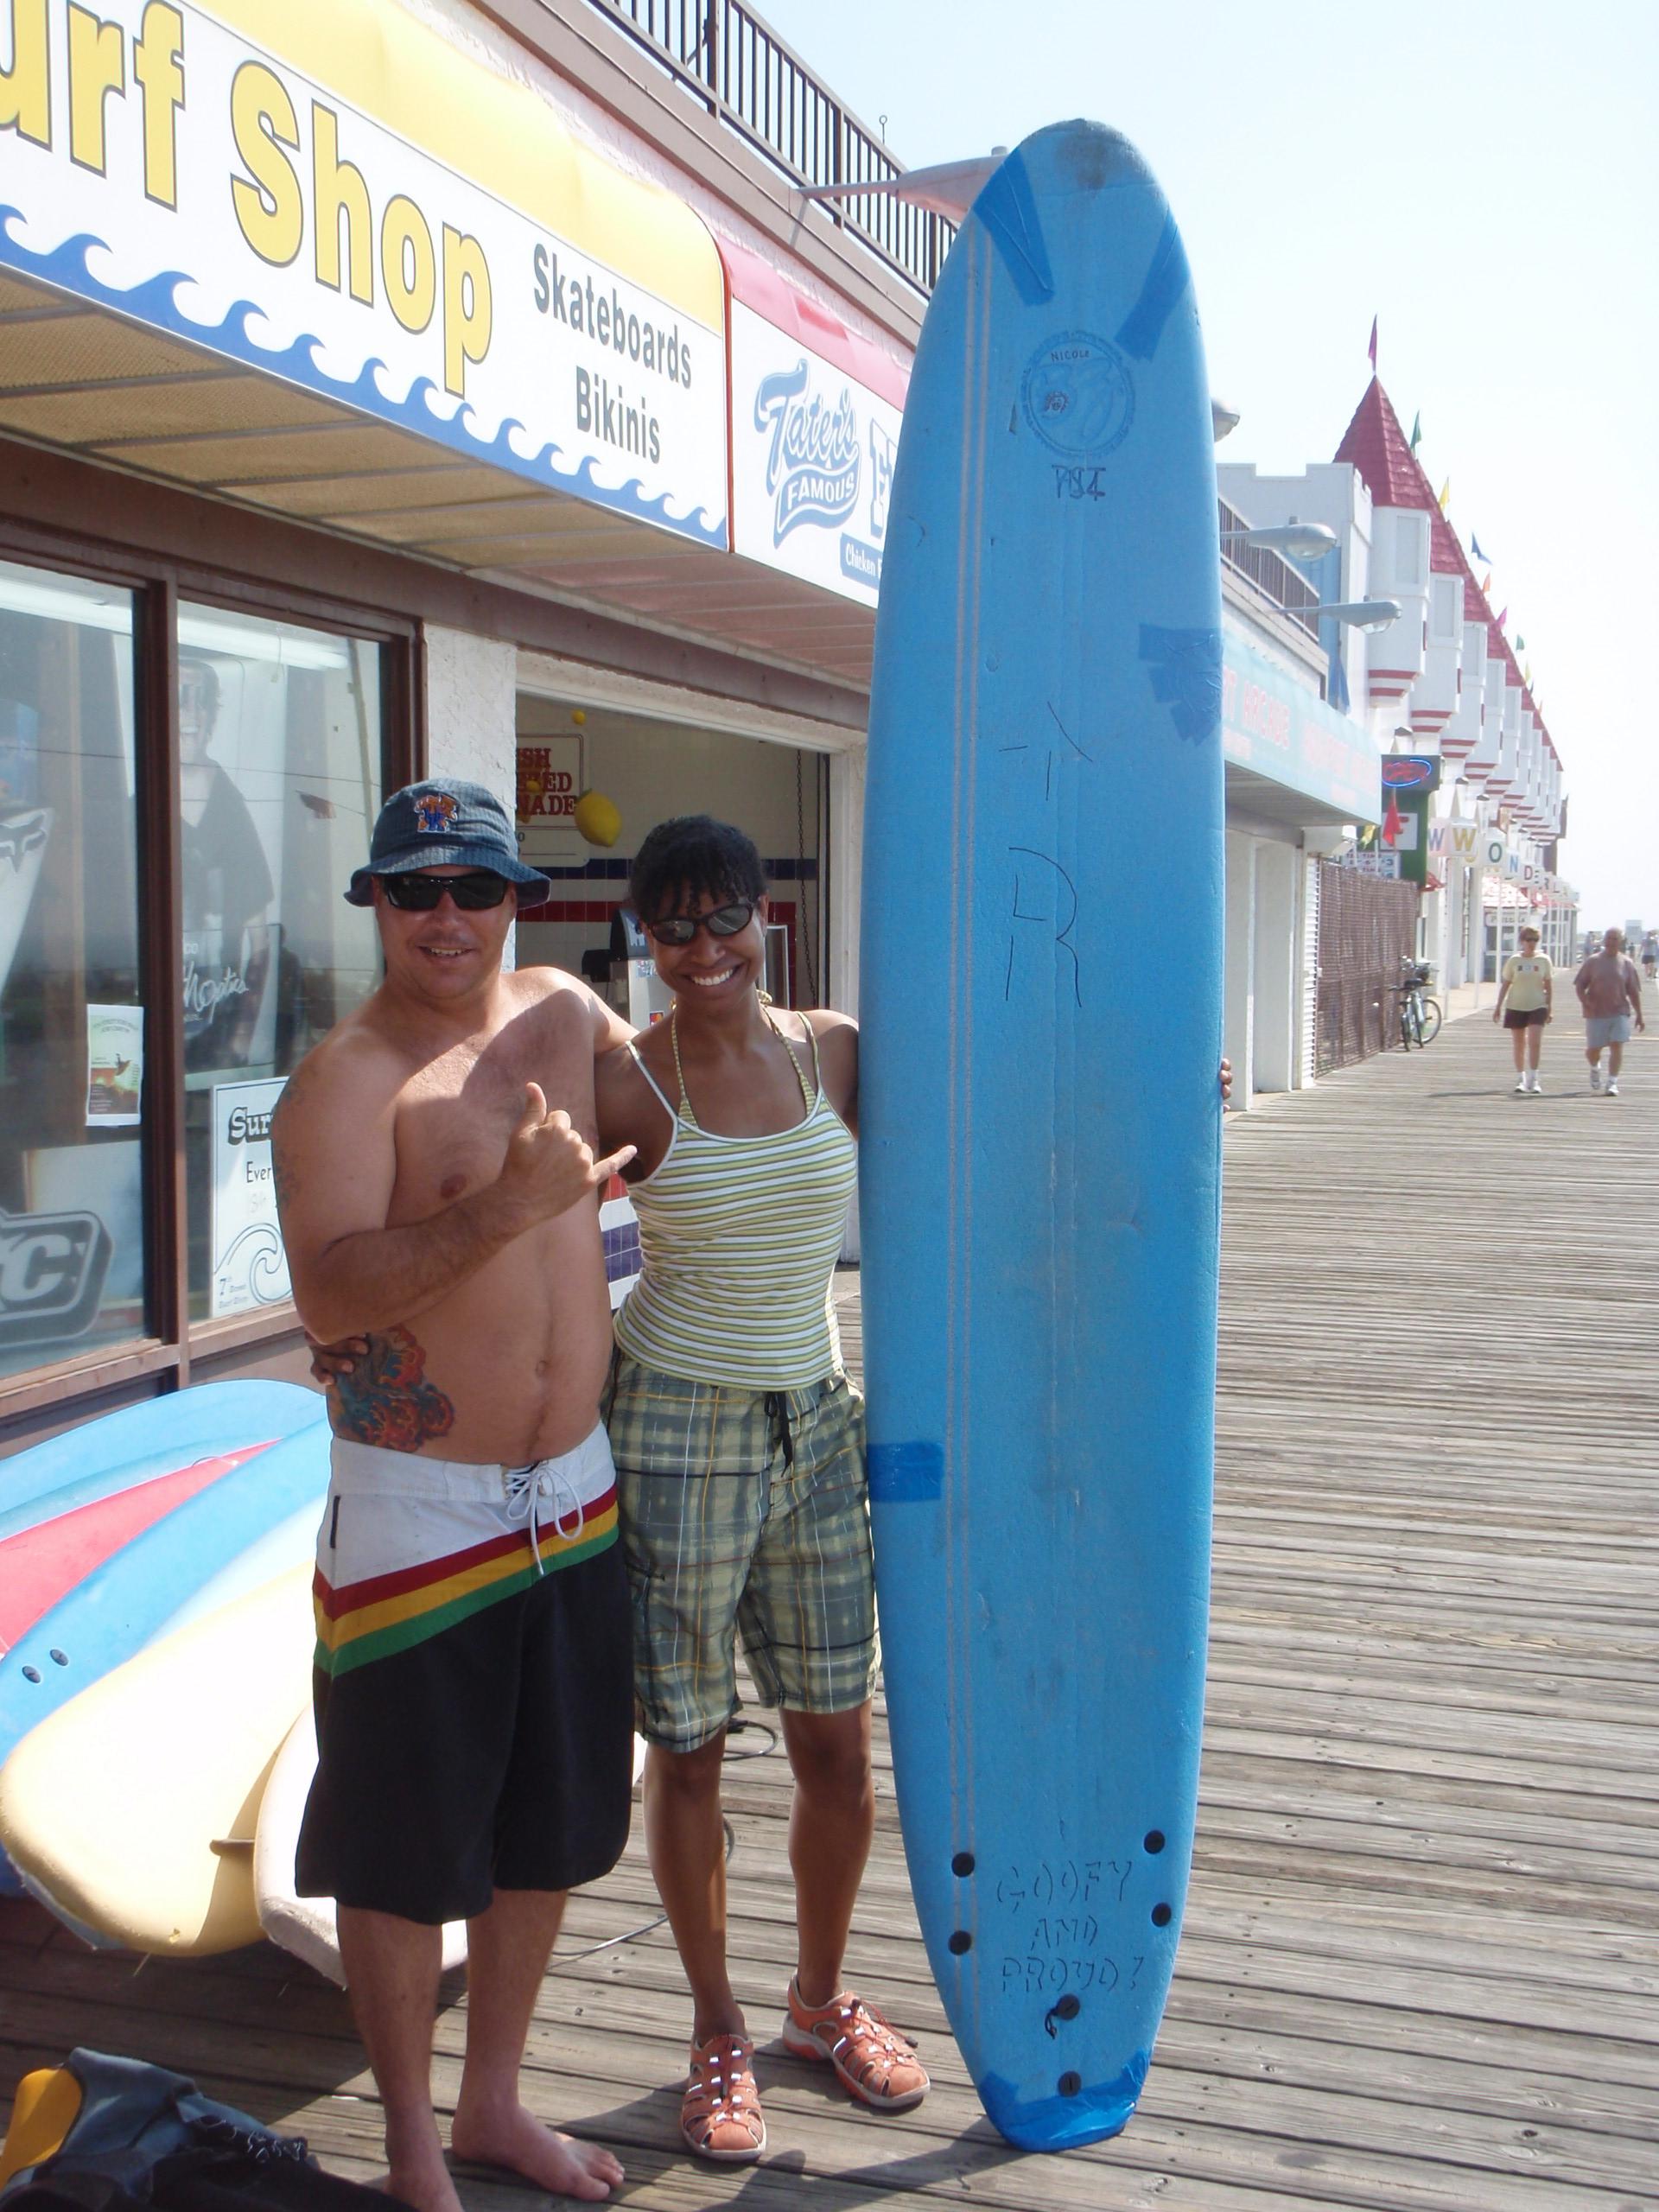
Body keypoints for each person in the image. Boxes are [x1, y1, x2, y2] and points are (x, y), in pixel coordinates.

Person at [270, 779, 638, 2212]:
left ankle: (492, 2104)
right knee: (403, 1852)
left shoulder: (562, 1014)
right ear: (373, 902)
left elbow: (679, 1107)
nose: (445, 915)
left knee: (548, 1826)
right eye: (413, 888)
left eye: (473, 887)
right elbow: (328, 1293)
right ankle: (414, 2150)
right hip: (421, 1527)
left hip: (575, 1502)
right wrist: (500, 1210)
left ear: (515, 901)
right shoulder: (344, 1083)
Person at [591, 815, 925, 2164]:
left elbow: (982, 1118)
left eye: (722, 917)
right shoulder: (628, 1081)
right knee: (690, 1752)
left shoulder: (832, 1049)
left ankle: (817, 2002)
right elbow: (517, 1191)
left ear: (762, 916)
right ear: (647, 939)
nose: (702, 949)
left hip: (818, 1424)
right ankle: (716, 2029)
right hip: (675, 1428)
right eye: (673, 928)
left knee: (838, 1747)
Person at [1573, 927, 1644, 1096]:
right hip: (1596, 1012)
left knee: (1617, 1045)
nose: (1611, 942)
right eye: (1609, 938)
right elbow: (1580, 985)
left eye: (1615, 939)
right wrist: (1585, 1002)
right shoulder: (1593, 961)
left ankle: (1612, 1082)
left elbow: (1633, 992)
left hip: (1619, 1011)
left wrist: (1639, 1015)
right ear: (1604, 940)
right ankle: (1595, 1067)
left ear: (1621, 942)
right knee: (1593, 1050)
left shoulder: (1626, 963)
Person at [1491, 924, 1552, 1092]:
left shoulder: (1544, 960)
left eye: (1535, 940)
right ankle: (1521, 1078)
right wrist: (1498, 1006)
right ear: (1522, 941)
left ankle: (1534, 1079)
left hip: (1537, 1005)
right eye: (1529, 939)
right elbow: (1506, 984)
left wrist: (1550, 1007)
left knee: (1535, 1041)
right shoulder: (1514, 960)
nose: (1532, 943)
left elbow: (1548, 985)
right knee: (1519, 1043)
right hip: (1516, 1005)